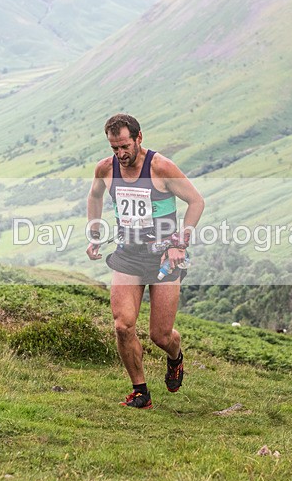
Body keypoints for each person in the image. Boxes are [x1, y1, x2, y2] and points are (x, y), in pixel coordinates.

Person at [86, 113, 204, 409]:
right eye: (114, 148)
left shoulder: (160, 167)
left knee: (160, 336)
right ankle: (141, 392)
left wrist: (181, 241)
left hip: (165, 258)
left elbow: (196, 201)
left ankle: (175, 358)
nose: (120, 154)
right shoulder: (106, 169)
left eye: (125, 146)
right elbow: (94, 196)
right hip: (128, 257)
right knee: (123, 325)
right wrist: (95, 232)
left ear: (139, 138)